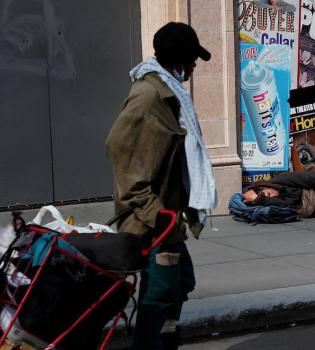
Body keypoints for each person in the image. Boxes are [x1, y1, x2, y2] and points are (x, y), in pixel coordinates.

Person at [105, 22, 216, 350]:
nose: (195, 67)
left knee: (181, 282)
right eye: (193, 60)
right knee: (159, 292)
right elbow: (118, 147)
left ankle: (166, 340)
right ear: (179, 61)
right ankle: (151, 344)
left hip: (167, 216)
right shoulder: (150, 95)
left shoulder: (169, 92)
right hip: (151, 220)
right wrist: (158, 213)